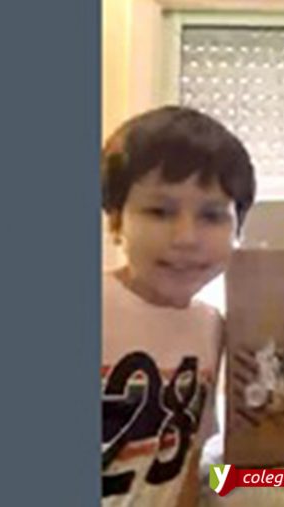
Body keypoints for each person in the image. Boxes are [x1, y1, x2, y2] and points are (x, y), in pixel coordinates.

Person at [100, 106, 255, 506]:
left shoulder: (211, 327)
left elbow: (190, 458)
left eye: (212, 216)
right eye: (159, 212)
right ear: (116, 221)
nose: (186, 238)